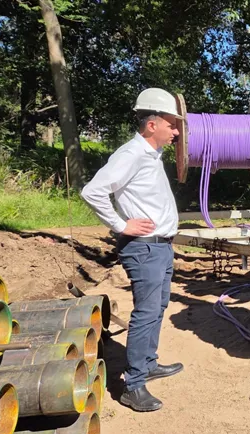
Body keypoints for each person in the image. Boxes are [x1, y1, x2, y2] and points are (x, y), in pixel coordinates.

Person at [81, 88, 184, 412]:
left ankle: (147, 363)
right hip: (144, 248)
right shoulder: (131, 154)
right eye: (172, 123)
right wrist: (119, 224)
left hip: (160, 247)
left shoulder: (150, 156)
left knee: (156, 309)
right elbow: (94, 191)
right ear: (152, 124)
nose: (177, 131)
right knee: (145, 313)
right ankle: (133, 385)